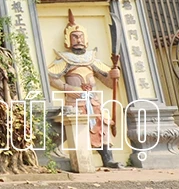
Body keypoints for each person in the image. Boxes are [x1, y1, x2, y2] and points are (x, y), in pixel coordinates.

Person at [47, 9, 123, 169]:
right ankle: (79, 159)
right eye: (75, 36)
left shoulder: (92, 59)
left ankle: (107, 159)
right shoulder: (65, 59)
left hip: (93, 101)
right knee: (76, 129)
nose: (78, 39)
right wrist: (68, 88)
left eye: (81, 36)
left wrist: (114, 75)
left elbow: (109, 82)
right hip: (75, 102)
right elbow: (51, 77)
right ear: (68, 39)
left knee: (101, 128)